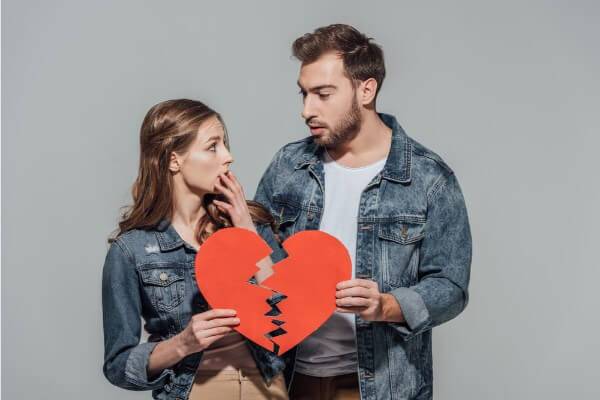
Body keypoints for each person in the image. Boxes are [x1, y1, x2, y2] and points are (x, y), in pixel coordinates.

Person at [254, 24, 472, 400]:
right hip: (287, 380)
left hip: (378, 385)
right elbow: (259, 263)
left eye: (323, 94)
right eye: (304, 94)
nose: (307, 110)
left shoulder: (428, 178)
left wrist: (386, 305)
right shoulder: (287, 165)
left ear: (366, 89)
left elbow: (450, 286)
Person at [102, 99, 288, 400]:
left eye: (224, 144)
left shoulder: (248, 225)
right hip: (193, 391)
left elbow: (289, 308)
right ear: (174, 159)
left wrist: (244, 225)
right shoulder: (131, 250)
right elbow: (118, 364)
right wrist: (183, 343)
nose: (228, 157)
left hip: (267, 387)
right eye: (213, 146)